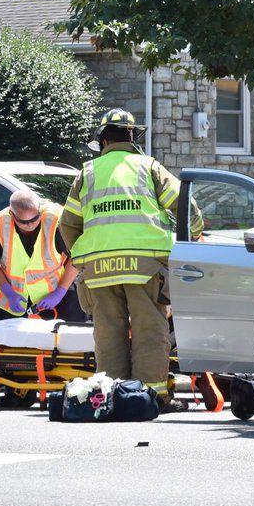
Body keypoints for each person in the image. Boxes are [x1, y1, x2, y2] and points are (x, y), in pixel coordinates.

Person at [59, 109, 180, 402]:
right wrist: (190, 239)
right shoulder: (149, 167)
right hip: (146, 265)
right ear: (132, 137)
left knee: (108, 333)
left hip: (100, 270)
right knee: (148, 329)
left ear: (102, 141)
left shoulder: (86, 173)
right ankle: (149, 398)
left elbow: (68, 224)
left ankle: (112, 397)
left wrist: (82, 260)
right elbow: (185, 207)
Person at [0, 189, 83, 322]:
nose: (30, 225)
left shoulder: (56, 221)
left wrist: (60, 292)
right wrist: (9, 293)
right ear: (12, 214)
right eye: (23, 222)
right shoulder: (0, 225)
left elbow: (76, 257)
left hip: (57, 300)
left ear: (39, 210)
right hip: (15, 303)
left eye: (35, 219)